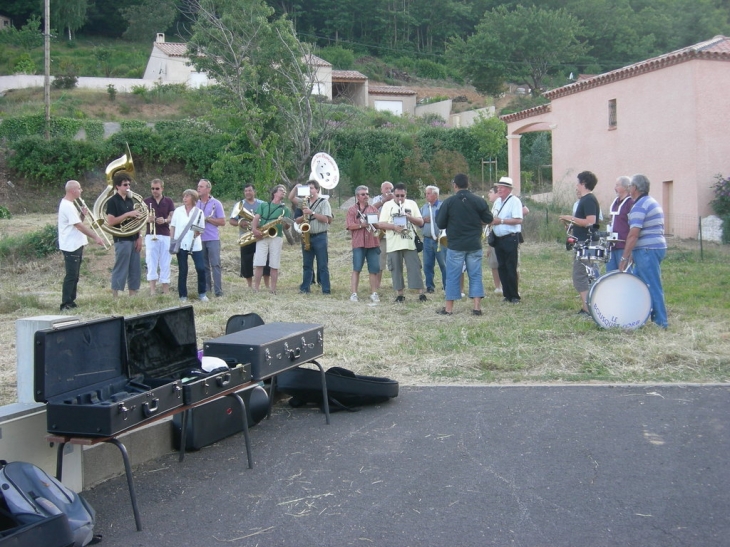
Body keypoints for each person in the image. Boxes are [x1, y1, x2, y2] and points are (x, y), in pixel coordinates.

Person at [435, 174, 493, 315]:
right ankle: (476, 308)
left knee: (453, 275)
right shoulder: (478, 201)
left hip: (455, 245)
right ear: (468, 184)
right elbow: (489, 219)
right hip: (474, 244)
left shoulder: (449, 202)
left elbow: (440, 223)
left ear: (455, 185)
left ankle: (448, 309)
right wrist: (474, 221)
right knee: (475, 275)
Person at [619, 174, 668, 328]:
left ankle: (660, 322)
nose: (628, 189)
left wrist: (624, 257)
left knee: (651, 285)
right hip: (652, 248)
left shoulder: (640, 206)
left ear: (634, 188)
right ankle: (638, 317)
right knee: (638, 285)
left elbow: (633, 234)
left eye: (630, 186)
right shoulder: (651, 202)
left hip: (648, 250)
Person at [57, 180, 105, 310]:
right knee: (71, 275)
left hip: (75, 243)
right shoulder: (67, 205)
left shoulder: (70, 205)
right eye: (79, 188)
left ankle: (71, 301)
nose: (81, 190)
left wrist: (82, 215)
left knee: (75, 275)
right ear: (73, 190)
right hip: (70, 245)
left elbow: (76, 222)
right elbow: (78, 226)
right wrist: (95, 237)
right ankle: (65, 303)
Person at [559, 171, 600, 314]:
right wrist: (571, 224)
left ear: (583, 183)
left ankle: (588, 308)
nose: (576, 186)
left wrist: (570, 218)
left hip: (586, 243)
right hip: (583, 241)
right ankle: (589, 305)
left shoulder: (588, 199)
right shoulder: (585, 200)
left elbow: (590, 222)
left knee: (580, 275)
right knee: (587, 275)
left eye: (578, 183)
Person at [378, 183, 427, 303]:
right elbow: (380, 224)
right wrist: (394, 227)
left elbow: (421, 222)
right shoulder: (387, 205)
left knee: (415, 267)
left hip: (409, 242)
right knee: (395, 268)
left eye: (402, 196)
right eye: (397, 195)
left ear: (406, 194)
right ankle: (400, 294)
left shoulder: (412, 204)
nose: (400, 198)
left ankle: (420, 293)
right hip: (393, 243)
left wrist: (409, 217)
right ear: (393, 194)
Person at [289, 180, 333, 295]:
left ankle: (326, 289)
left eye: (312, 188)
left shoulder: (324, 202)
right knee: (307, 264)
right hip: (307, 235)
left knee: (322, 264)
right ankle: (305, 288)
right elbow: (291, 198)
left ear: (317, 190)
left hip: (320, 236)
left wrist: (311, 213)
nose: (310, 190)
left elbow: (326, 219)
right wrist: (296, 187)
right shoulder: (304, 201)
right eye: (308, 188)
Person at [105, 171, 143, 297]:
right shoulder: (112, 201)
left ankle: (133, 294)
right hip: (121, 239)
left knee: (135, 268)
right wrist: (127, 214)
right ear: (117, 186)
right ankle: (115, 295)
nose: (128, 187)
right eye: (125, 185)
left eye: (129, 184)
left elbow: (137, 221)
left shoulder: (130, 200)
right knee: (121, 267)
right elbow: (110, 221)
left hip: (133, 237)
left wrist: (139, 237)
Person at [251, 184, 292, 294]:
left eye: (284, 190)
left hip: (276, 237)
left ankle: (273, 289)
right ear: (274, 193)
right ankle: (256, 288)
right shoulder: (264, 205)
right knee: (259, 262)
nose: (283, 192)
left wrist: (286, 224)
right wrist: (254, 229)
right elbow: (256, 217)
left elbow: (287, 226)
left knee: (275, 264)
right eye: (281, 190)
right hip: (262, 235)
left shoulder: (285, 209)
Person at [229, 183, 270, 288]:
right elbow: (231, 221)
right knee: (246, 261)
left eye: (250, 190)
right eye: (246, 191)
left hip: (261, 236)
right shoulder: (239, 205)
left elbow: (267, 219)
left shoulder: (262, 203)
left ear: (254, 191)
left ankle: (266, 284)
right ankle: (249, 285)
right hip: (246, 236)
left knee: (265, 260)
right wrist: (240, 223)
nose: (248, 192)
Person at [169, 189, 207, 302]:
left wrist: (197, 232)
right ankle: (182, 295)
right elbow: (173, 226)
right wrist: (172, 240)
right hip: (181, 244)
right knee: (183, 269)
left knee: (200, 268)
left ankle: (202, 293)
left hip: (195, 244)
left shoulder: (199, 212)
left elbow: (201, 228)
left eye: (187, 196)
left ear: (193, 198)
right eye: (184, 196)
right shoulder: (178, 211)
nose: (184, 198)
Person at [491, 176, 524, 304]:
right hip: (498, 239)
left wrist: (501, 221)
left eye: (502, 187)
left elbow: (518, 220)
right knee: (502, 267)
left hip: (510, 238)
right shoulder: (497, 202)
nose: (499, 189)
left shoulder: (515, 201)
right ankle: (507, 294)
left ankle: (514, 295)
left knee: (511, 266)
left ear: (509, 189)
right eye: (498, 187)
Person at [346, 185, 381, 303]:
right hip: (358, 243)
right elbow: (349, 225)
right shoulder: (352, 210)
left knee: (373, 269)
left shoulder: (373, 209)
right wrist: (362, 225)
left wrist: (372, 223)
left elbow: (377, 225)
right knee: (356, 268)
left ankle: (374, 293)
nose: (366, 196)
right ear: (357, 197)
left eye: (367, 194)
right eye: (363, 194)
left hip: (372, 242)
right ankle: (354, 293)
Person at [143, 178, 175, 295]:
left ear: (162, 188)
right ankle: (152, 290)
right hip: (151, 235)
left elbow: (172, 216)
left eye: (157, 188)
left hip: (165, 234)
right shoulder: (145, 201)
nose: (154, 191)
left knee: (165, 262)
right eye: (152, 188)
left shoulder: (169, 201)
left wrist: (165, 220)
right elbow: (140, 218)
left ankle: (165, 290)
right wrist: (148, 219)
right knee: (151, 261)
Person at [196, 179, 225, 297]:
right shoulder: (196, 203)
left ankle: (218, 291)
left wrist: (207, 219)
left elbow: (222, 221)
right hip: (199, 238)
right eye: (198, 186)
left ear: (208, 189)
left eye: (201, 187)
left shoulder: (216, 203)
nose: (198, 188)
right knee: (204, 266)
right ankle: (207, 290)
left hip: (212, 238)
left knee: (215, 264)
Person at [420, 185, 447, 294]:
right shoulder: (424, 208)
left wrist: (434, 219)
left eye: (428, 193)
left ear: (435, 195)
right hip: (427, 240)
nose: (426, 196)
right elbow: (419, 222)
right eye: (426, 193)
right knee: (427, 264)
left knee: (443, 264)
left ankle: (446, 286)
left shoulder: (442, 206)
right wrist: (422, 220)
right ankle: (429, 286)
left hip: (440, 240)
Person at [605, 176, 634, 273]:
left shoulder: (630, 203)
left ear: (625, 187)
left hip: (623, 245)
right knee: (610, 274)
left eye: (617, 185)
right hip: (612, 245)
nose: (615, 188)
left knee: (625, 274)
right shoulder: (615, 202)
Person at [372, 181, 394, 287]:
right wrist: (384, 200)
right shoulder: (377, 199)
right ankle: (377, 285)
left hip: (393, 234)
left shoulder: (396, 198)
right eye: (386, 188)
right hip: (381, 235)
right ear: (381, 190)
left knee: (394, 261)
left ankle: (396, 284)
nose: (388, 190)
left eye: (390, 188)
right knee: (380, 261)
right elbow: (371, 209)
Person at [485, 186, 502, 293]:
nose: (488, 194)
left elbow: (524, 210)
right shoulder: (494, 205)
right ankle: (498, 287)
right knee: (493, 263)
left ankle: (503, 286)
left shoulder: (501, 203)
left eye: (490, 192)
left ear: (497, 193)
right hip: (493, 238)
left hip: (501, 237)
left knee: (501, 263)